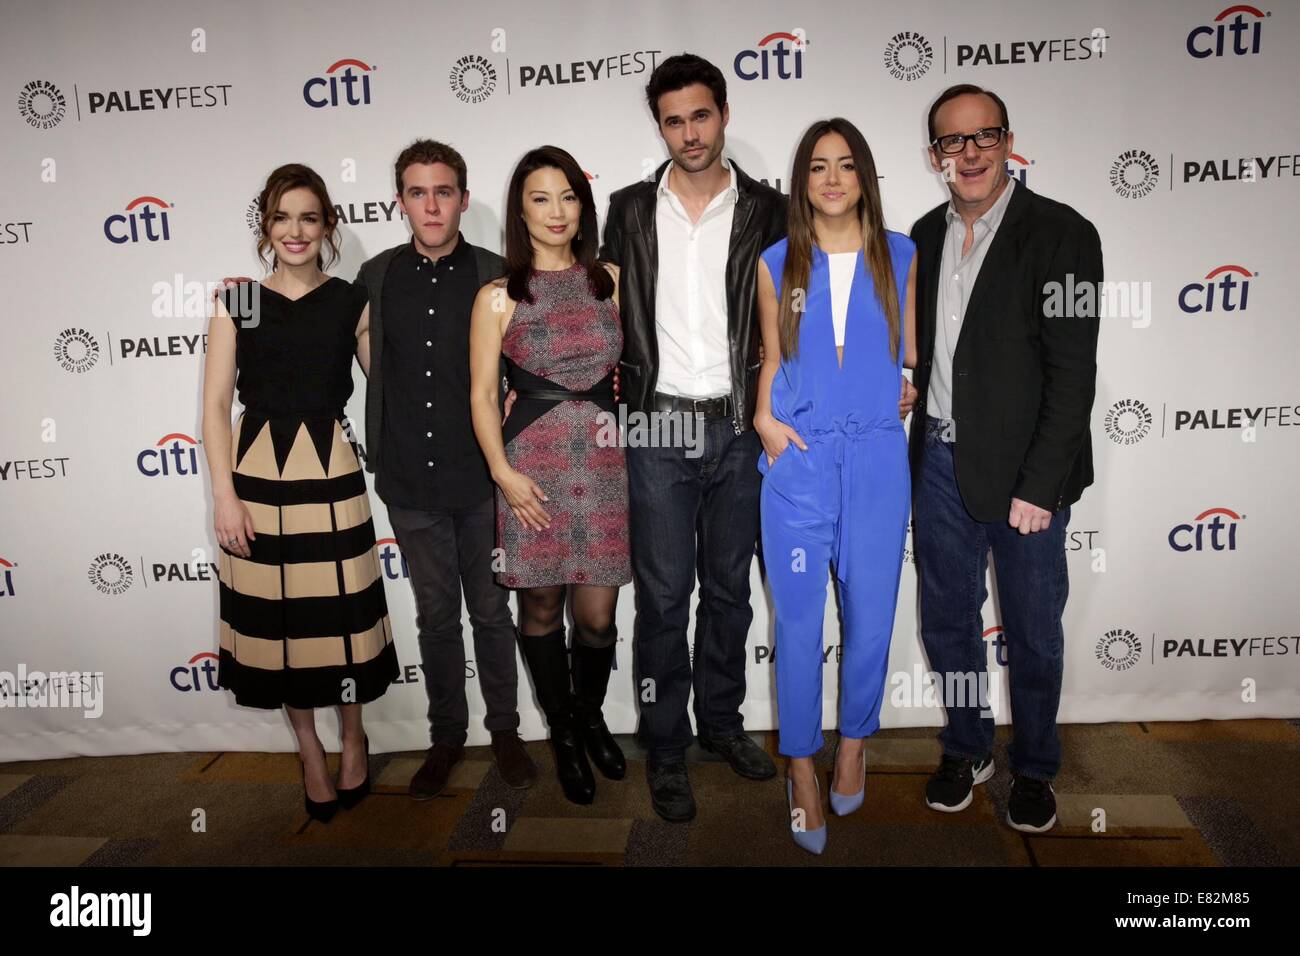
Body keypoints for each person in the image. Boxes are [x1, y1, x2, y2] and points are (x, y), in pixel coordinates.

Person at [600, 53, 919, 823]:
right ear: (660, 126)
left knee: (733, 594)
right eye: (673, 120)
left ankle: (721, 724)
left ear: (725, 114)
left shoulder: (772, 213)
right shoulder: (629, 209)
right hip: (657, 419)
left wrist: (887, 381)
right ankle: (667, 745)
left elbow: (806, 323)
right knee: (667, 595)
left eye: (700, 115)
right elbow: (604, 308)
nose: (689, 133)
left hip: (745, 423)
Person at [908, 85, 1102, 833]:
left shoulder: (1063, 234)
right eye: (954, 142)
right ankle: (966, 745)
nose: (970, 153)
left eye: (984, 136)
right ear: (934, 157)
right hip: (938, 464)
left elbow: (1073, 374)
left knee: (1031, 631)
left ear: (1008, 141)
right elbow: (929, 353)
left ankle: (1036, 765)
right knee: (949, 622)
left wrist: (1042, 486)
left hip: (1027, 475)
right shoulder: (922, 236)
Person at [202, 163, 398, 823]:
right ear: (266, 226)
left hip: (332, 477)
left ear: (327, 226)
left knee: (338, 623)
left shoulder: (349, 301)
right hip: (257, 481)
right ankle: (309, 749)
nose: (295, 231)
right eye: (282, 218)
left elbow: (392, 393)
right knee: (282, 628)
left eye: (308, 217)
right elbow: (213, 409)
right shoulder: (239, 304)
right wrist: (223, 498)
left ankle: (352, 738)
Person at [353, 140, 536, 799]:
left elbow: (524, 363)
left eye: (443, 191)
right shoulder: (375, 276)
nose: (431, 205)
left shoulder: (496, 272)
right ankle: (446, 739)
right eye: (417, 192)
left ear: (463, 195)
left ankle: (507, 732)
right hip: (410, 482)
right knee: (434, 616)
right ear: (400, 200)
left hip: (484, 480)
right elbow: (366, 358)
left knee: (491, 611)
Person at [755, 119, 917, 855]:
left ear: (864, 177)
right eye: (817, 166)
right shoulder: (778, 261)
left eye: (846, 165)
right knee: (796, 624)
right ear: (803, 181)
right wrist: (764, 419)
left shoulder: (903, 255)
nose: (831, 178)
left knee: (872, 614)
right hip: (800, 458)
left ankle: (853, 743)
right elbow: (771, 354)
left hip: (879, 461)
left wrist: (903, 387)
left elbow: (908, 358)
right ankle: (800, 767)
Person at [469, 145, 629, 805]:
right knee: (538, 605)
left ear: (583, 206)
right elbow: (481, 396)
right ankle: (562, 732)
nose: (557, 211)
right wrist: (504, 476)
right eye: (541, 198)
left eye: (568, 196)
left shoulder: (610, 279)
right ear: (520, 211)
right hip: (530, 471)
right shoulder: (499, 295)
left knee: (596, 616)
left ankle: (590, 715)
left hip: (605, 466)